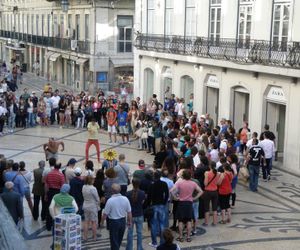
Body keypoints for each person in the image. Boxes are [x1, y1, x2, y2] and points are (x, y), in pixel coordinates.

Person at [170, 170, 202, 242]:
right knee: (189, 220)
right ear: (190, 176)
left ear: (183, 176)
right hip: (189, 203)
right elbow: (201, 191)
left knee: (180, 221)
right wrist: (195, 198)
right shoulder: (193, 183)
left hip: (181, 203)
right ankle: (188, 237)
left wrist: (175, 197)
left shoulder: (180, 183)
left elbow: (171, 190)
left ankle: (181, 236)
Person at [101, 183, 132, 250]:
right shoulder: (125, 199)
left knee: (114, 240)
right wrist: (129, 221)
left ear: (112, 191)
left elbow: (105, 214)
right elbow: (129, 212)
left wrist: (102, 222)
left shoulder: (110, 200)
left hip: (114, 222)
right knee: (119, 239)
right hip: (123, 221)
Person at [148, 171, 169, 248]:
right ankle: (162, 241)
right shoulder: (164, 184)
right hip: (162, 205)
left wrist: (146, 205)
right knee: (162, 224)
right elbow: (167, 194)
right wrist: (164, 202)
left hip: (154, 205)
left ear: (154, 176)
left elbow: (149, 197)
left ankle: (154, 242)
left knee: (153, 224)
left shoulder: (152, 185)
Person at [44, 163, 65, 231]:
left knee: (50, 207)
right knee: (57, 209)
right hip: (58, 192)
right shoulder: (61, 175)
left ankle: (48, 226)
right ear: (59, 167)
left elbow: (46, 185)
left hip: (50, 192)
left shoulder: (49, 174)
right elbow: (62, 186)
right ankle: (56, 225)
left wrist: (46, 194)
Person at [126, 179, 145, 250]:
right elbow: (142, 202)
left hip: (130, 215)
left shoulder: (128, 193)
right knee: (139, 233)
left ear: (132, 184)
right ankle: (139, 248)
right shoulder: (142, 193)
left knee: (130, 233)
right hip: (139, 214)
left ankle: (129, 248)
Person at [82, 175, 100, 241]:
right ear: (91, 180)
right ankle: (94, 237)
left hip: (85, 205)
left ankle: (85, 237)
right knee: (93, 222)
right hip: (92, 206)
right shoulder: (93, 188)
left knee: (86, 222)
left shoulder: (83, 187)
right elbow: (97, 198)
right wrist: (98, 202)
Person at [203, 161, 220, 226]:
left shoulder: (207, 173)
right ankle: (215, 222)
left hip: (207, 192)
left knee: (206, 208)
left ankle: (206, 222)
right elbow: (217, 183)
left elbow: (205, 183)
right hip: (215, 191)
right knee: (214, 208)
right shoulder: (217, 173)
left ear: (210, 166)